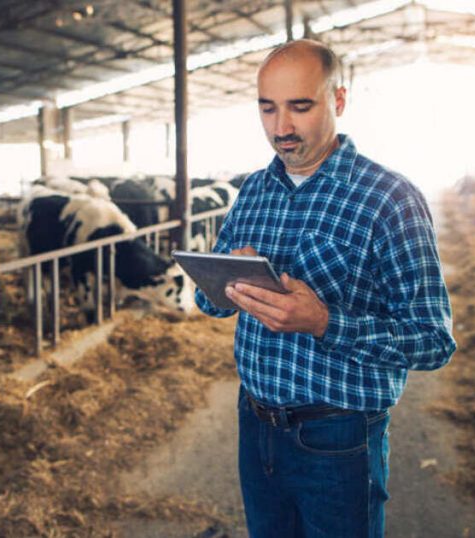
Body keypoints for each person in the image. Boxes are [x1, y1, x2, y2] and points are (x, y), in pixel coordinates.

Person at [195, 39, 456, 538]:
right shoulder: (252, 189)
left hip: (338, 437)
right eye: (267, 108)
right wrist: (222, 282)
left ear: (338, 100)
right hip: (256, 422)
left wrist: (324, 322)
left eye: (300, 106)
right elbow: (211, 304)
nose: (281, 127)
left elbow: (432, 340)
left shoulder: (388, 198)